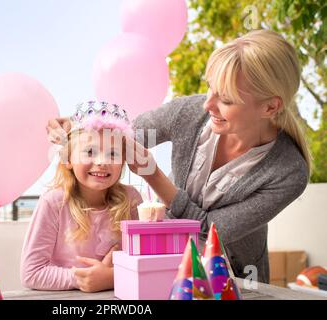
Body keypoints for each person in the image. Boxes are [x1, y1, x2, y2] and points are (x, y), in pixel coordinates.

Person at [46, 29, 310, 283]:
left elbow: (209, 229)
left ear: (270, 106)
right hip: (167, 266)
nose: (208, 105)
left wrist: (153, 176)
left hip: (233, 282)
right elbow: (124, 135)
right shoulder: (190, 113)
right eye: (210, 88)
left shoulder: (288, 172)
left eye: (226, 100)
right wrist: (79, 127)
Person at [21, 101, 143, 292]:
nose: (102, 162)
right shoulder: (54, 203)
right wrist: (82, 278)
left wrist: (111, 278)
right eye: (90, 152)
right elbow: (32, 272)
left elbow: (143, 261)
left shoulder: (132, 199)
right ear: (68, 159)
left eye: (113, 153)